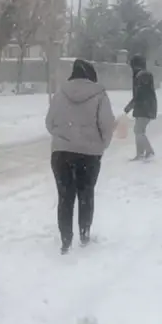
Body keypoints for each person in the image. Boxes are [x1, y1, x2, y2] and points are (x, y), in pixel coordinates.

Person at [46, 59, 115, 253]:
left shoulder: (60, 93)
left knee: (65, 197)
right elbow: (107, 125)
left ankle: (65, 240)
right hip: (89, 155)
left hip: (61, 154)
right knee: (86, 195)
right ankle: (84, 234)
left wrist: (63, 138)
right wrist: (100, 145)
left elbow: (49, 122)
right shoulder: (99, 95)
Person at [124, 55, 157, 160]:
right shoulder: (142, 74)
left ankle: (149, 151)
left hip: (145, 107)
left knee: (138, 131)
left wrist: (129, 107)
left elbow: (140, 95)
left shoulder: (142, 76)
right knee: (139, 130)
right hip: (146, 107)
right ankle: (140, 153)